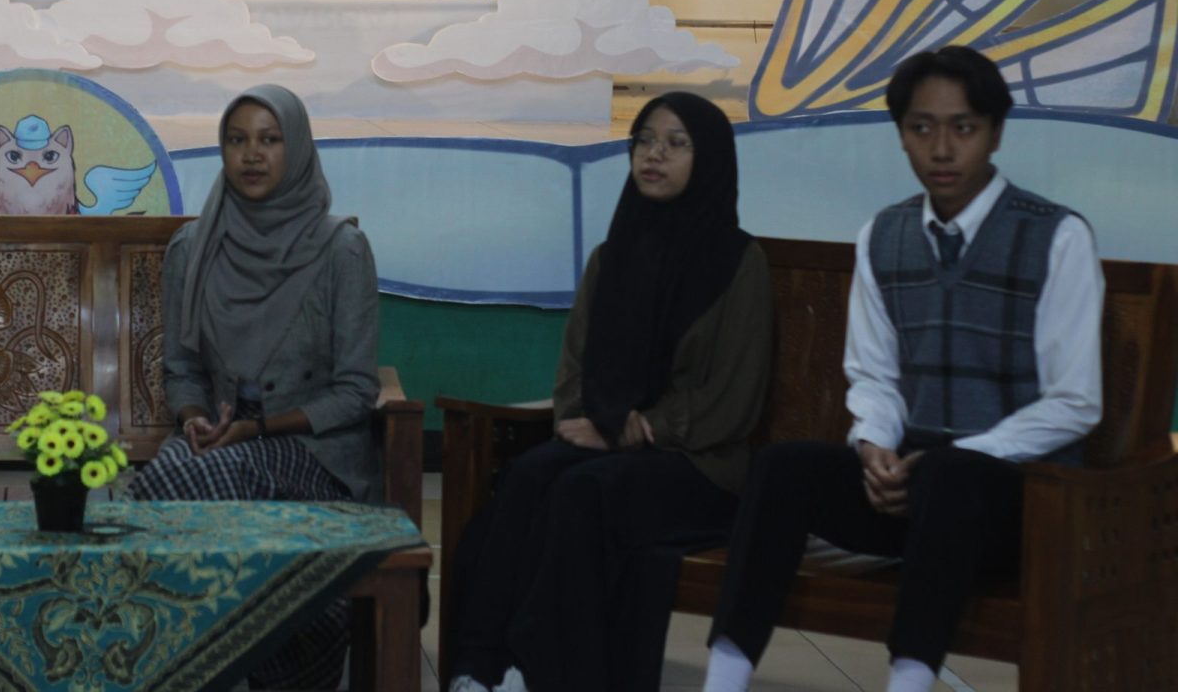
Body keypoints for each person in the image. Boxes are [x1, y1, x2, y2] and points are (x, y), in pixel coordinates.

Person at [700, 46, 1104, 692]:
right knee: (782, 468)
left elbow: (1075, 401)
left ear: (995, 133)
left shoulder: (1057, 236)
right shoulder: (882, 236)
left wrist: (957, 456)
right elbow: (875, 376)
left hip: (1026, 507)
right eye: (921, 128)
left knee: (949, 474)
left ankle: (908, 681)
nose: (941, 148)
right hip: (915, 490)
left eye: (962, 128)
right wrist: (875, 448)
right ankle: (724, 678)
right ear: (902, 136)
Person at [447, 92, 775, 692]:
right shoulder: (612, 255)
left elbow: (733, 398)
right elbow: (575, 368)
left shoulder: (738, 262)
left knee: (582, 491)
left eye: (676, 144)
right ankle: (477, 668)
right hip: (610, 445)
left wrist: (637, 430)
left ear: (710, 158)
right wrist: (591, 422)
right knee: (527, 479)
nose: (654, 155)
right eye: (644, 140)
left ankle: (539, 672)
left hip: (702, 467)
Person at [126, 84, 380, 690]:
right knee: (180, 471)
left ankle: (207, 664)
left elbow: (355, 391)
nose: (252, 155)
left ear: (299, 148)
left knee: (184, 481)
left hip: (315, 459)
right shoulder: (193, 248)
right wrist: (193, 418)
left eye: (270, 139)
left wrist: (257, 429)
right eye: (237, 140)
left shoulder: (341, 250)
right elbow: (181, 370)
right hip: (217, 445)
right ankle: (235, 659)